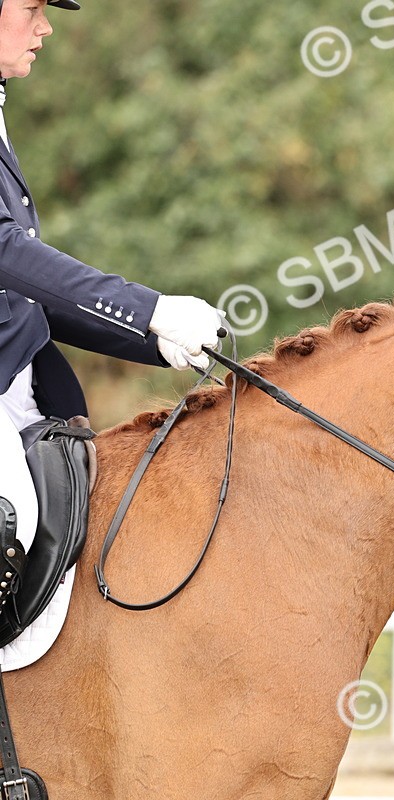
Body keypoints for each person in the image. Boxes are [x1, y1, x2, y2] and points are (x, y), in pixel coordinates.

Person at [0, 0, 224, 583]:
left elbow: (25, 296)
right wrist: (149, 308)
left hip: (27, 401)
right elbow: (4, 252)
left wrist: (152, 338)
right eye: (31, 8)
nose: (45, 27)